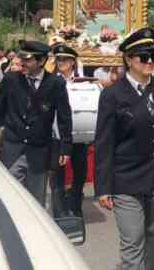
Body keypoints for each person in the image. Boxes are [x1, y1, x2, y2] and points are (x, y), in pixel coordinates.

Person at [95, 28, 154, 270]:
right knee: (133, 242)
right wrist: (102, 187)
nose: (150, 61)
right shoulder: (113, 94)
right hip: (126, 180)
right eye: (144, 57)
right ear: (129, 59)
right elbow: (104, 142)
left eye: (153, 55)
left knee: (152, 240)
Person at [0, 40, 73, 206]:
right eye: (21, 59)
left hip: (39, 151)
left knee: (36, 203)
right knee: (9, 199)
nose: (22, 63)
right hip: (13, 150)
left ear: (41, 61)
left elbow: (64, 117)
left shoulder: (56, 83)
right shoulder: (11, 80)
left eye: (27, 60)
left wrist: (65, 147)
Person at [49, 44, 90, 217]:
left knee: (79, 171)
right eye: (58, 59)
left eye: (65, 59)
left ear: (73, 62)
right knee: (56, 173)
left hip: (78, 133)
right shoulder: (49, 81)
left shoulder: (85, 81)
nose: (61, 62)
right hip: (56, 134)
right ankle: (59, 211)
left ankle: (76, 205)